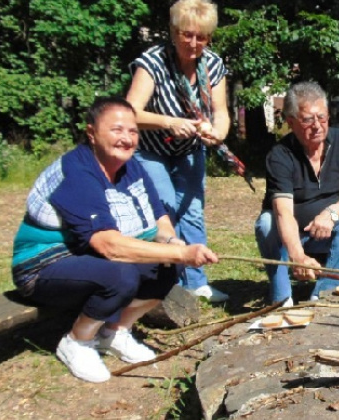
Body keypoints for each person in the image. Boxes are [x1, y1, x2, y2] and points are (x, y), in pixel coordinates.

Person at [11, 97, 219, 383]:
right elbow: (108, 245)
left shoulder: (131, 166)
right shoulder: (78, 172)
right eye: (117, 130)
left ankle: (115, 331)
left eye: (133, 132)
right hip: (43, 266)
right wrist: (181, 254)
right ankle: (77, 341)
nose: (127, 138)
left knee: (168, 265)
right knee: (120, 275)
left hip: (85, 257)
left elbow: (159, 215)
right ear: (91, 132)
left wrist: (172, 244)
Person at [125, 0, 228, 302]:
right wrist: (168, 122)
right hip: (149, 148)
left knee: (192, 212)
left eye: (202, 36)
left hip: (191, 148)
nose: (194, 43)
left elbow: (221, 113)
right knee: (165, 207)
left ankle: (197, 283)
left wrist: (216, 133)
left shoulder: (214, 65)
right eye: (187, 34)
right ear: (173, 32)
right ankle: (163, 281)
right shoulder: (152, 62)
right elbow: (129, 112)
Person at [254, 81, 339, 306]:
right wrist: (297, 256)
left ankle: (326, 293)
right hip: (289, 237)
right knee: (266, 223)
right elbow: (283, 212)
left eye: (322, 117)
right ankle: (282, 297)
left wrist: (331, 213)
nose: (317, 125)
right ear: (291, 122)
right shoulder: (280, 155)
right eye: (308, 119)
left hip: (328, 233)